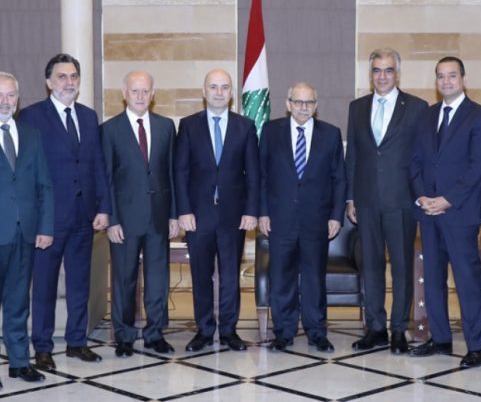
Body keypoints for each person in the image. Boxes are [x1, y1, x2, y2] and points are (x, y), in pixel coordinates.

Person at [19, 53, 111, 370]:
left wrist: (104, 207)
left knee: (79, 284)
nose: (68, 82)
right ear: (48, 82)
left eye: (73, 76)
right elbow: (27, 172)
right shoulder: (31, 117)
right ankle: (42, 347)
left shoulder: (88, 116)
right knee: (44, 286)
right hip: (48, 220)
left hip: (84, 217)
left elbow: (97, 164)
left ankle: (76, 342)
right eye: (62, 76)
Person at [408, 56, 481, 366]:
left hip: (460, 213)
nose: (446, 81)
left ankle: (476, 346)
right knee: (432, 279)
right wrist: (421, 196)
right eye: (441, 76)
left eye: (452, 76)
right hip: (428, 212)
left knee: (467, 280)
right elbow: (414, 161)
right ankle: (441, 339)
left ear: (463, 79)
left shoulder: (480, 116)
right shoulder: (426, 116)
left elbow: (477, 167)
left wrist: (447, 199)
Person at [0, 72, 54, 390]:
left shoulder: (32, 134)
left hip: (26, 234)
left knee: (19, 303)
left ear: (18, 99)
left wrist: (45, 226)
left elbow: (44, 184)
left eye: (11, 95)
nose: (5, 101)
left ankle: (20, 362)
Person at [344, 47, 428, 354]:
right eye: (377, 70)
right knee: (371, 266)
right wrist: (350, 197)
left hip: (401, 200)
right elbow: (352, 156)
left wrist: (421, 194)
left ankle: (398, 330)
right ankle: (376, 327)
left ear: (397, 73)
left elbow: (422, 156)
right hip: (366, 200)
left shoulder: (417, 107)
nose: (382, 76)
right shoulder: (357, 107)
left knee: (402, 267)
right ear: (371, 74)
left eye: (388, 70)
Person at [175, 69, 259, 352]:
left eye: (225, 87)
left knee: (230, 276)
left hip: (234, 215)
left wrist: (251, 210)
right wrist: (183, 210)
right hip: (198, 215)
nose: (219, 92)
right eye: (213, 87)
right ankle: (203, 330)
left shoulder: (245, 126)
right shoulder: (188, 126)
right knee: (200, 275)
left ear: (232, 93)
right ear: (204, 91)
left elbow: (253, 174)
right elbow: (180, 172)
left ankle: (229, 331)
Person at [258, 82, 346, 353]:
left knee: (314, 279)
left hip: (316, 220)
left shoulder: (331, 134)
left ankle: (316, 332)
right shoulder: (270, 131)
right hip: (280, 219)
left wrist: (336, 216)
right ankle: (283, 333)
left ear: (316, 105)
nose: (303, 107)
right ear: (288, 104)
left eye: (309, 102)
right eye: (298, 102)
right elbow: (261, 176)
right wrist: (262, 212)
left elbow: (339, 179)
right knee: (281, 278)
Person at [101, 71, 179, 357]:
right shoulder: (109, 130)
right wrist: (111, 220)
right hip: (124, 220)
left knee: (158, 280)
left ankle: (155, 333)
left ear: (153, 94)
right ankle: (124, 335)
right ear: (124, 93)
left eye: (145, 91)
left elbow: (172, 173)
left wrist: (174, 215)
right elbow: (107, 179)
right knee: (124, 280)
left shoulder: (166, 126)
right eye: (135, 91)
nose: (140, 96)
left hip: (159, 218)